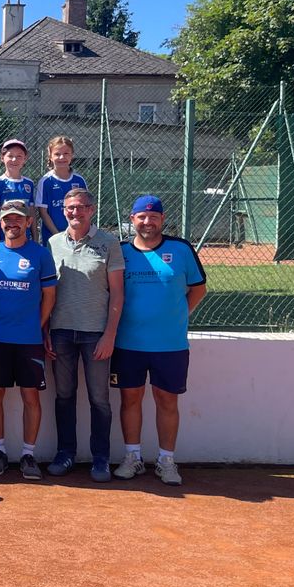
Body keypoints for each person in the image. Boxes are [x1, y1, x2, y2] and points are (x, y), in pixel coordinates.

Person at [111, 195, 207, 486]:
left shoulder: (180, 249)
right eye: (141, 216)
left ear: (162, 220)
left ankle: (166, 461)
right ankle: (133, 458)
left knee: (167, 400)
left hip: (170, 345)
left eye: (153, 217)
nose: (147, 221)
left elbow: (198, 289)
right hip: (128, 344)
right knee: (130, 399)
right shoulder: (121, 251)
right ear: (132, 219)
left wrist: (177, 316)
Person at [45, 188, 123, 482]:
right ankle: (65, 453)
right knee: (64, 396)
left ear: (92, 209)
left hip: (96, 335)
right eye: (69, 208)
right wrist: (45, 331)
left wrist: (109, 335)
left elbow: (117, 293)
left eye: (80, 207)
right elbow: (46, 293)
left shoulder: (108, 243)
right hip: (60, 333)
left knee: (99, 399)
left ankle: (100, 458)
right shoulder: (52, 244)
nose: (75, 213)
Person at [0, 201, 57, 480]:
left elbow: (49, 296)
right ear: (0, 223)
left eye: (18, 219)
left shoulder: (40, 254)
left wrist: (37, 325)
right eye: (7, 220)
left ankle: (28, 454)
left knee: (30, 396)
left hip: (29, 340)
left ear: (28, 222)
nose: (12, 224)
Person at [35, 136, 87, 242]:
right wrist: (58, 236)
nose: (61, 157)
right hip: (52, 237)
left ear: (72, 155)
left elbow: (85, 209)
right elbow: (43, 213)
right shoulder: (45, 181)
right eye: (57, 154)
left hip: (77, 237)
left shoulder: (79, 180)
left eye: (66, 153)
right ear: (50, 156)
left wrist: (78, 232)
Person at [0, 138, 36, 241]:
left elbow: (32, 214)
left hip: (25, 240)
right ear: (2, 158)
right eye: (10, 156)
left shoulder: (29, 183)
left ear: (25, 159)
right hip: (4, 241)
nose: (14, 160)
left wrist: (35, 239)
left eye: (19, 156)